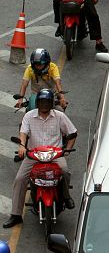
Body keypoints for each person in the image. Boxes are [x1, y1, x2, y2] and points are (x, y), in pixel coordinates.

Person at [3, 88, 77, 229]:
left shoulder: (60, 116)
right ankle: (16, 214)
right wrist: (22, 146)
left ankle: (66, 197)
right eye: (41, 102)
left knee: (65, 171)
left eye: (47, 102)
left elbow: (73, 133)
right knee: (20, 179)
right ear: (37, 103)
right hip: (34, 155)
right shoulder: (29, 116)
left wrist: (66, 150)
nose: (44, 105)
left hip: (54, 155)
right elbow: (23, 133)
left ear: (51, 104)